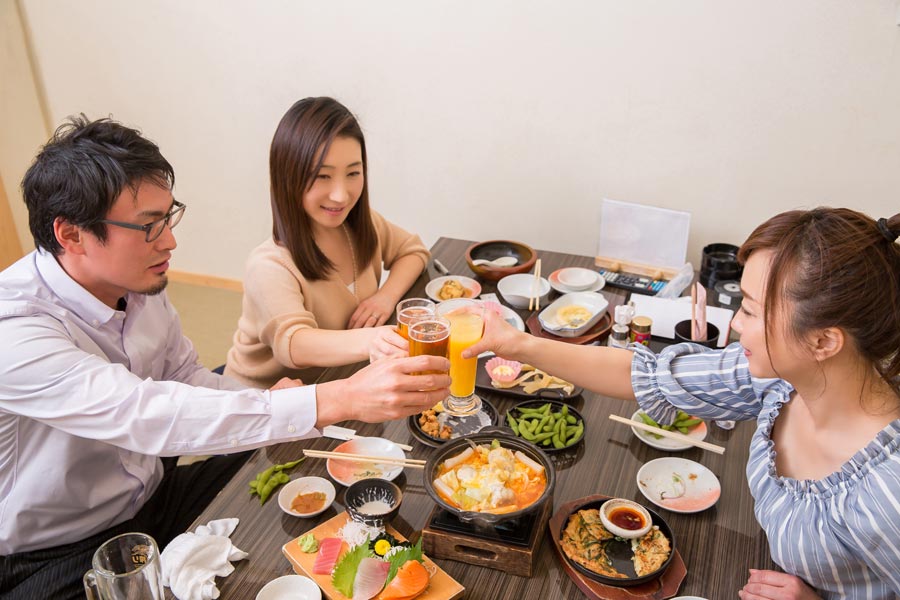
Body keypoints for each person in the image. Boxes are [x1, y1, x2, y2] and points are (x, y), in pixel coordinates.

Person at [0, 115, 450, 600]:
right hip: (59, 547)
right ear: (70, 235)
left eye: (168, 217)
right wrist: (335, 398)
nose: (170, 241)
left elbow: (182, 376)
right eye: (149, 226)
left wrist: (268, 403)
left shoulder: (138, 282)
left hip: (154, 486)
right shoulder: (16, 329)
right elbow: (143, 413)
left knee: (304, 501)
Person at [464, 208, 900, 599]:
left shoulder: (888, 490)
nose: (733, 323)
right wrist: (516, 343)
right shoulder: (782, 382)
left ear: (823, 340)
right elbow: (641, 375)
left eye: (749, 310)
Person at [224, 97, 429, 388]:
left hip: (343, 385)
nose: (341, 195)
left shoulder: (359, 225)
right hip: (267, 403)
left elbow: (413, 251)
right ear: (288, 178)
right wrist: (374, 338)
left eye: (353, 173)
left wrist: (385, 297)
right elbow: (295, 343)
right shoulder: (269, 265)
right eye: (322, 176)